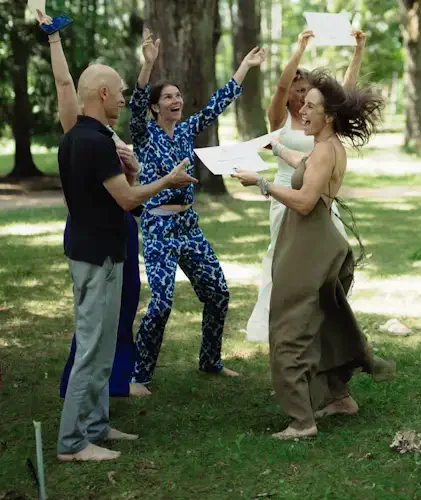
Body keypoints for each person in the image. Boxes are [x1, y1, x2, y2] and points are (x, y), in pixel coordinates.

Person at [232, 69, 394, 439]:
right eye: (302, 103)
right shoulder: (323, 147)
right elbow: (303, 167)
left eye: (310, 105)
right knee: (324, 326)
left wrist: (261, 183)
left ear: (329, 116)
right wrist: (276, 149)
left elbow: (305, 202)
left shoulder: (326, 151)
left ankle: (301, 421)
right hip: (318, 242)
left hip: (310, 245)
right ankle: (340, 398)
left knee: (289, 328)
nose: (302, 109)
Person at [55, 59, 197, 461]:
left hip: (103, 252)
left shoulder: (86, 137)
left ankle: (97, 426)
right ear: (102, 94)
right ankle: (71, 442)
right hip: (96, 256)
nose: (123, 97)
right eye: (118, 90)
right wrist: (167, 180)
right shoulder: (94, 142)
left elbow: (119, 199)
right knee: (91, 347)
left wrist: (133, 176)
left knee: (103, 345)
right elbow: (128, 201)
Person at [128, 30, 267, 395]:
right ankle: (140, 376)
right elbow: (136, 100)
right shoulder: (143, 134)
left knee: (218, 293)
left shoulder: (187, 130)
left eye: (178, 95)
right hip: (158, 227)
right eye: (168, 97)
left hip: (188, 225)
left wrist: (244, 67)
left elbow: (215, 106)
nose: (176, 100)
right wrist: (148, 65)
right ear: (156, 106)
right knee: (160, 304)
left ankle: (210, 360)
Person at [37, 11, 141, 398]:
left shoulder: (107, 130)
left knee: (124, 305)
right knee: (96, 317)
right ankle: (78, 387)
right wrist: (54, 39)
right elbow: (64, 82)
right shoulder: (78, 129)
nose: (121, 97)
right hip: (93, 227)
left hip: (122, 223)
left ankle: (115, 384)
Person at [246, 29, 367, 342]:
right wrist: (299, 49)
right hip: (287, 192)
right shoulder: (279, 119)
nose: (301, 95)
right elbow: (281, 85)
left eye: (306, 90)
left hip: (321, 193)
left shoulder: (323, 120)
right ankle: (279, 321)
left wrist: (358, 51)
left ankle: (329, 319)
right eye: (297, 90)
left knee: (331, 258)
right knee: (283, 256)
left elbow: (346, 94)